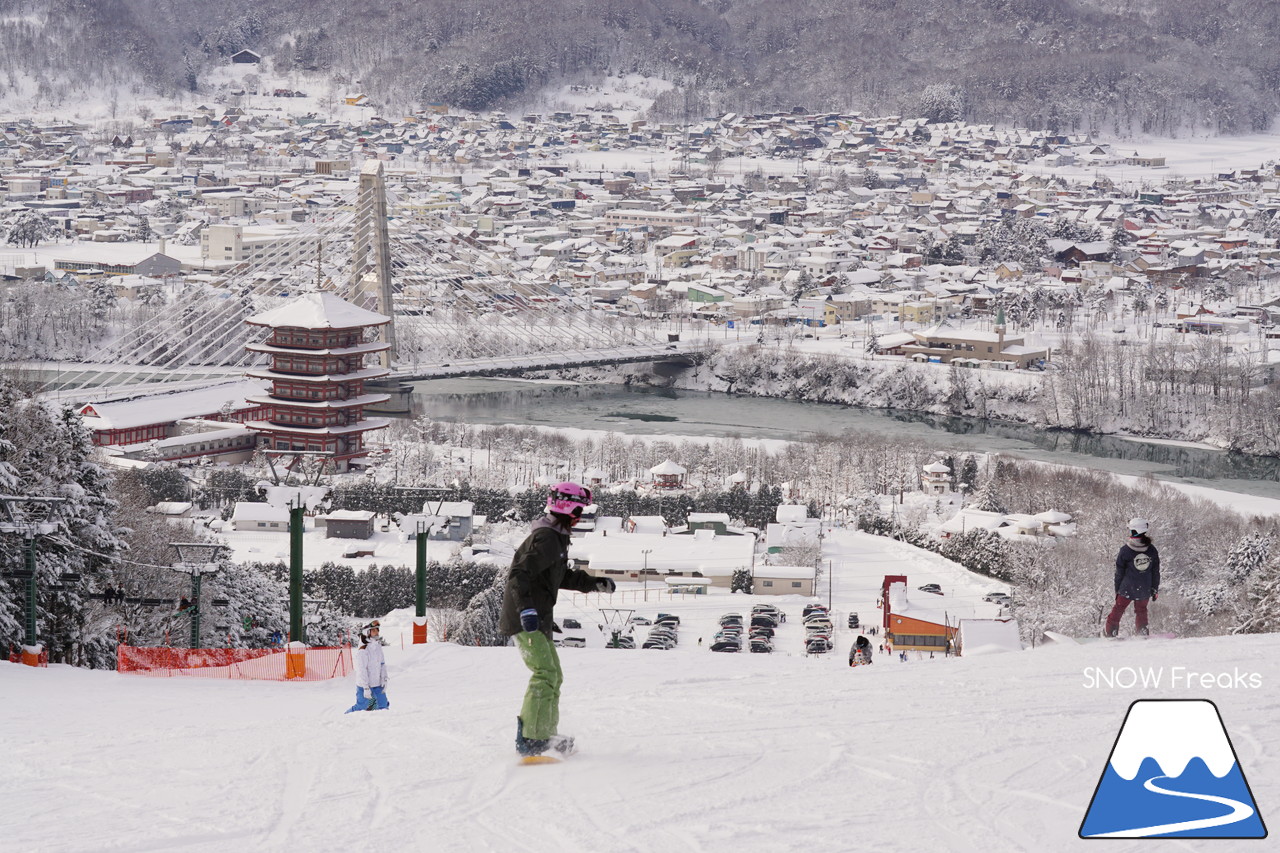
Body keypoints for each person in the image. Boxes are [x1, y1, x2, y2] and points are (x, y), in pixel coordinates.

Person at [500, 482, 615, 758]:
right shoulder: (548, 538)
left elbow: (561, 576)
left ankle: (544, 734)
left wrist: (595, 584)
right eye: (579, 510)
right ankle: (530, 739)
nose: (581, 517)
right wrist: (526, 609)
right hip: (525, 617)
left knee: (555, 675)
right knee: (545, 673)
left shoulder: (557, 537)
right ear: (567, 507)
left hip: (538, 616)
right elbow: (518, 575)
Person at [1104, 518, 1160, 637]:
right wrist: (1155, 589)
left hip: (1127, 587)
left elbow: (1119, 572)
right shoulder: (1152, 550)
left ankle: (1111, 632)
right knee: (1141, 611)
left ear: (1133, 530)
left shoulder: (1125, 550)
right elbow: (1155, 571)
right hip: (1145, 587)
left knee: (1118, 610)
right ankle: (1142, 633)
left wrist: (1117, 590)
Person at [346, 620, 389, 713]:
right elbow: (362, 670)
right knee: (361, 707)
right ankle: (344, 717)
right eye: (374, 631)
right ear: (367, 632)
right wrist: (365, 687)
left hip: (377, 684)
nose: (376, 632)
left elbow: (382, 664)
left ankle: (384, 724)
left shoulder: (378, 646)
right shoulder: (363, 650)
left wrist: (384, 679)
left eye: (377, 630)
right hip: (364, 685)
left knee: (383, 705)